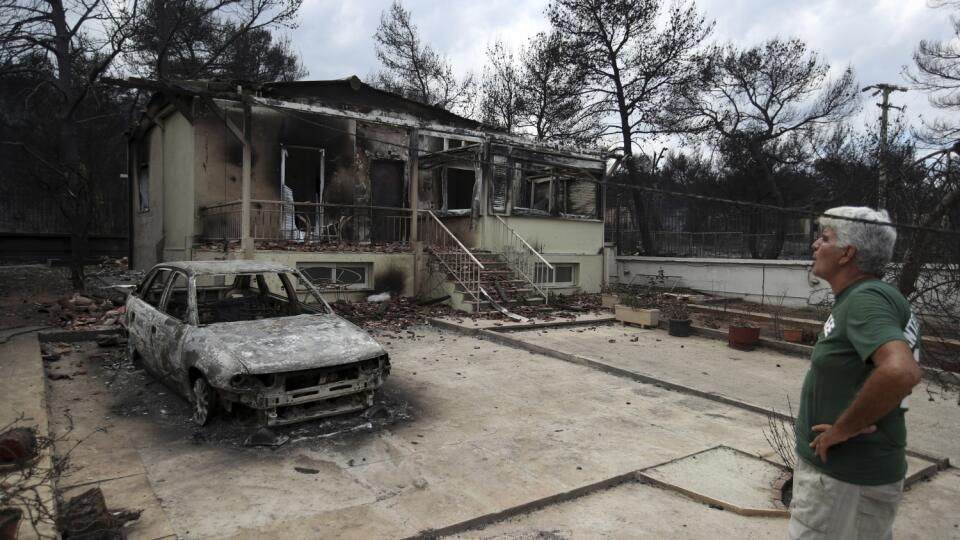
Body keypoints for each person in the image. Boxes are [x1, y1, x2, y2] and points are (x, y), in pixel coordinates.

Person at [790, 206, 922, 540]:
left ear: (848, 253)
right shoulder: (860, 298)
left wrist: (843, 429)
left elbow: (900, 372)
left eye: (825, 238)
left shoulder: (866, 299)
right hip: (843, 484)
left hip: (844, 485)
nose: (815, 246)